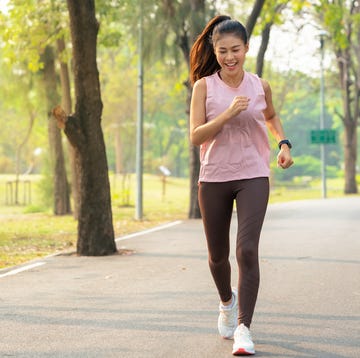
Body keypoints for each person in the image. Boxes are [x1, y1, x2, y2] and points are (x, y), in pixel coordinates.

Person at [189, 15, 294, 356]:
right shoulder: (204, 87)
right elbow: (196, 136)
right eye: (222, 51)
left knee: (246, 250)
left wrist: (283, 143)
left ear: (246, 49)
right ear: (214, 51)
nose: (230, 57)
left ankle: (243, 329)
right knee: (217, 257)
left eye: (236, 49)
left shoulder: (260, 85)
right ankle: (226, 301)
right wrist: (226, 115)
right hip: (214, 176)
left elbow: (271, 116)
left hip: (253, 174)